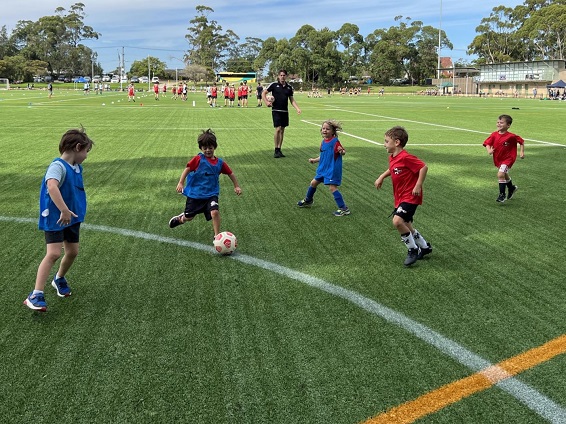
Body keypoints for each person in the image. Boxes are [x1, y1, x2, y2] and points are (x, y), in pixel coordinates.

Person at [24, 128, 94, 311]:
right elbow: (52, 186)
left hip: (71, 218)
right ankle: (36, 294)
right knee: (54, 253)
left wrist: (71, 211)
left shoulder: (77, 167)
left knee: (72, 252)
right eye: (86, 151)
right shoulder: (58, 166)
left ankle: (59, 278)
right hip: (56, 217)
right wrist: (63, 210)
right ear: (78, 147)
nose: (86, 155)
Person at [374, 126, 432, 266]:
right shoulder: (393, 157)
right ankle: (424, 247)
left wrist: (418, 185)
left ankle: (412, 250)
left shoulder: (406, 157)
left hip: (411, 196)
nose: (384, 144)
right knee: (406, 224)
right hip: (400, 197)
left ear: (397, 142)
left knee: (397, 222)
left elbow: (423, 167)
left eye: (386, 141)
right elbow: (392, 168)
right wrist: (382, 177)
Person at [169, 129, 242, 237]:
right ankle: (181, 218)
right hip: (196, 195)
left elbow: (230, 173)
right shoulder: (198, 159)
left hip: (211, 194)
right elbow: (187, 169)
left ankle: (217, 236)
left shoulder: (220, 163)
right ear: (201, 148)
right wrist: (180, 183)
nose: (208, 150)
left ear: (215, 147)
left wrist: (236, 186)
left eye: (210, 147)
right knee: (189, 217)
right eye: (205, 148)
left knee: (215, 212)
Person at [297, 120, 350, 216]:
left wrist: (341, 151)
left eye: (327, 129)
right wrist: (315, 160)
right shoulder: (323, 142)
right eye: (323, 128)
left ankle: (343, 208)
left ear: (333, 131)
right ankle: (308, 200)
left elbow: (342, 152)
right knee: (313, 183)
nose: (325, 130)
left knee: (332, 187)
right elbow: (324, 156)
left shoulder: (335, 142)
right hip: (323, 169)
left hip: (331, 170)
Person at [483, 114, 525, 203]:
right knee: (504, 174)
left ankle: (502, 195)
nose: (499, 124)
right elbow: (487, 143)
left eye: (501, 123)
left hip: (508, 158)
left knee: (500, 174)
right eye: (498, 122)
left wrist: (521, 152)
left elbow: (521, 141)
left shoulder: (511, 136)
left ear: (508, 125)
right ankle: (511, 188)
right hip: (498, 158)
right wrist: (489, 150)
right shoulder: (494, 134)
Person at [262, 69, 301, 158]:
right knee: (278, 129)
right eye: (281, 75)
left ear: (286, 76)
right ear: (279, 76)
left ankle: (279, 149)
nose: (282, 77)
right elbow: (263, 93)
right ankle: (276, 149)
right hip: (276, 110)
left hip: (285, 111)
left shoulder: (289, 87)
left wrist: (297, 108)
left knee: (282, 130)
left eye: (284, 75)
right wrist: (266, 102)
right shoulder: (274, 85)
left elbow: (291, 99)